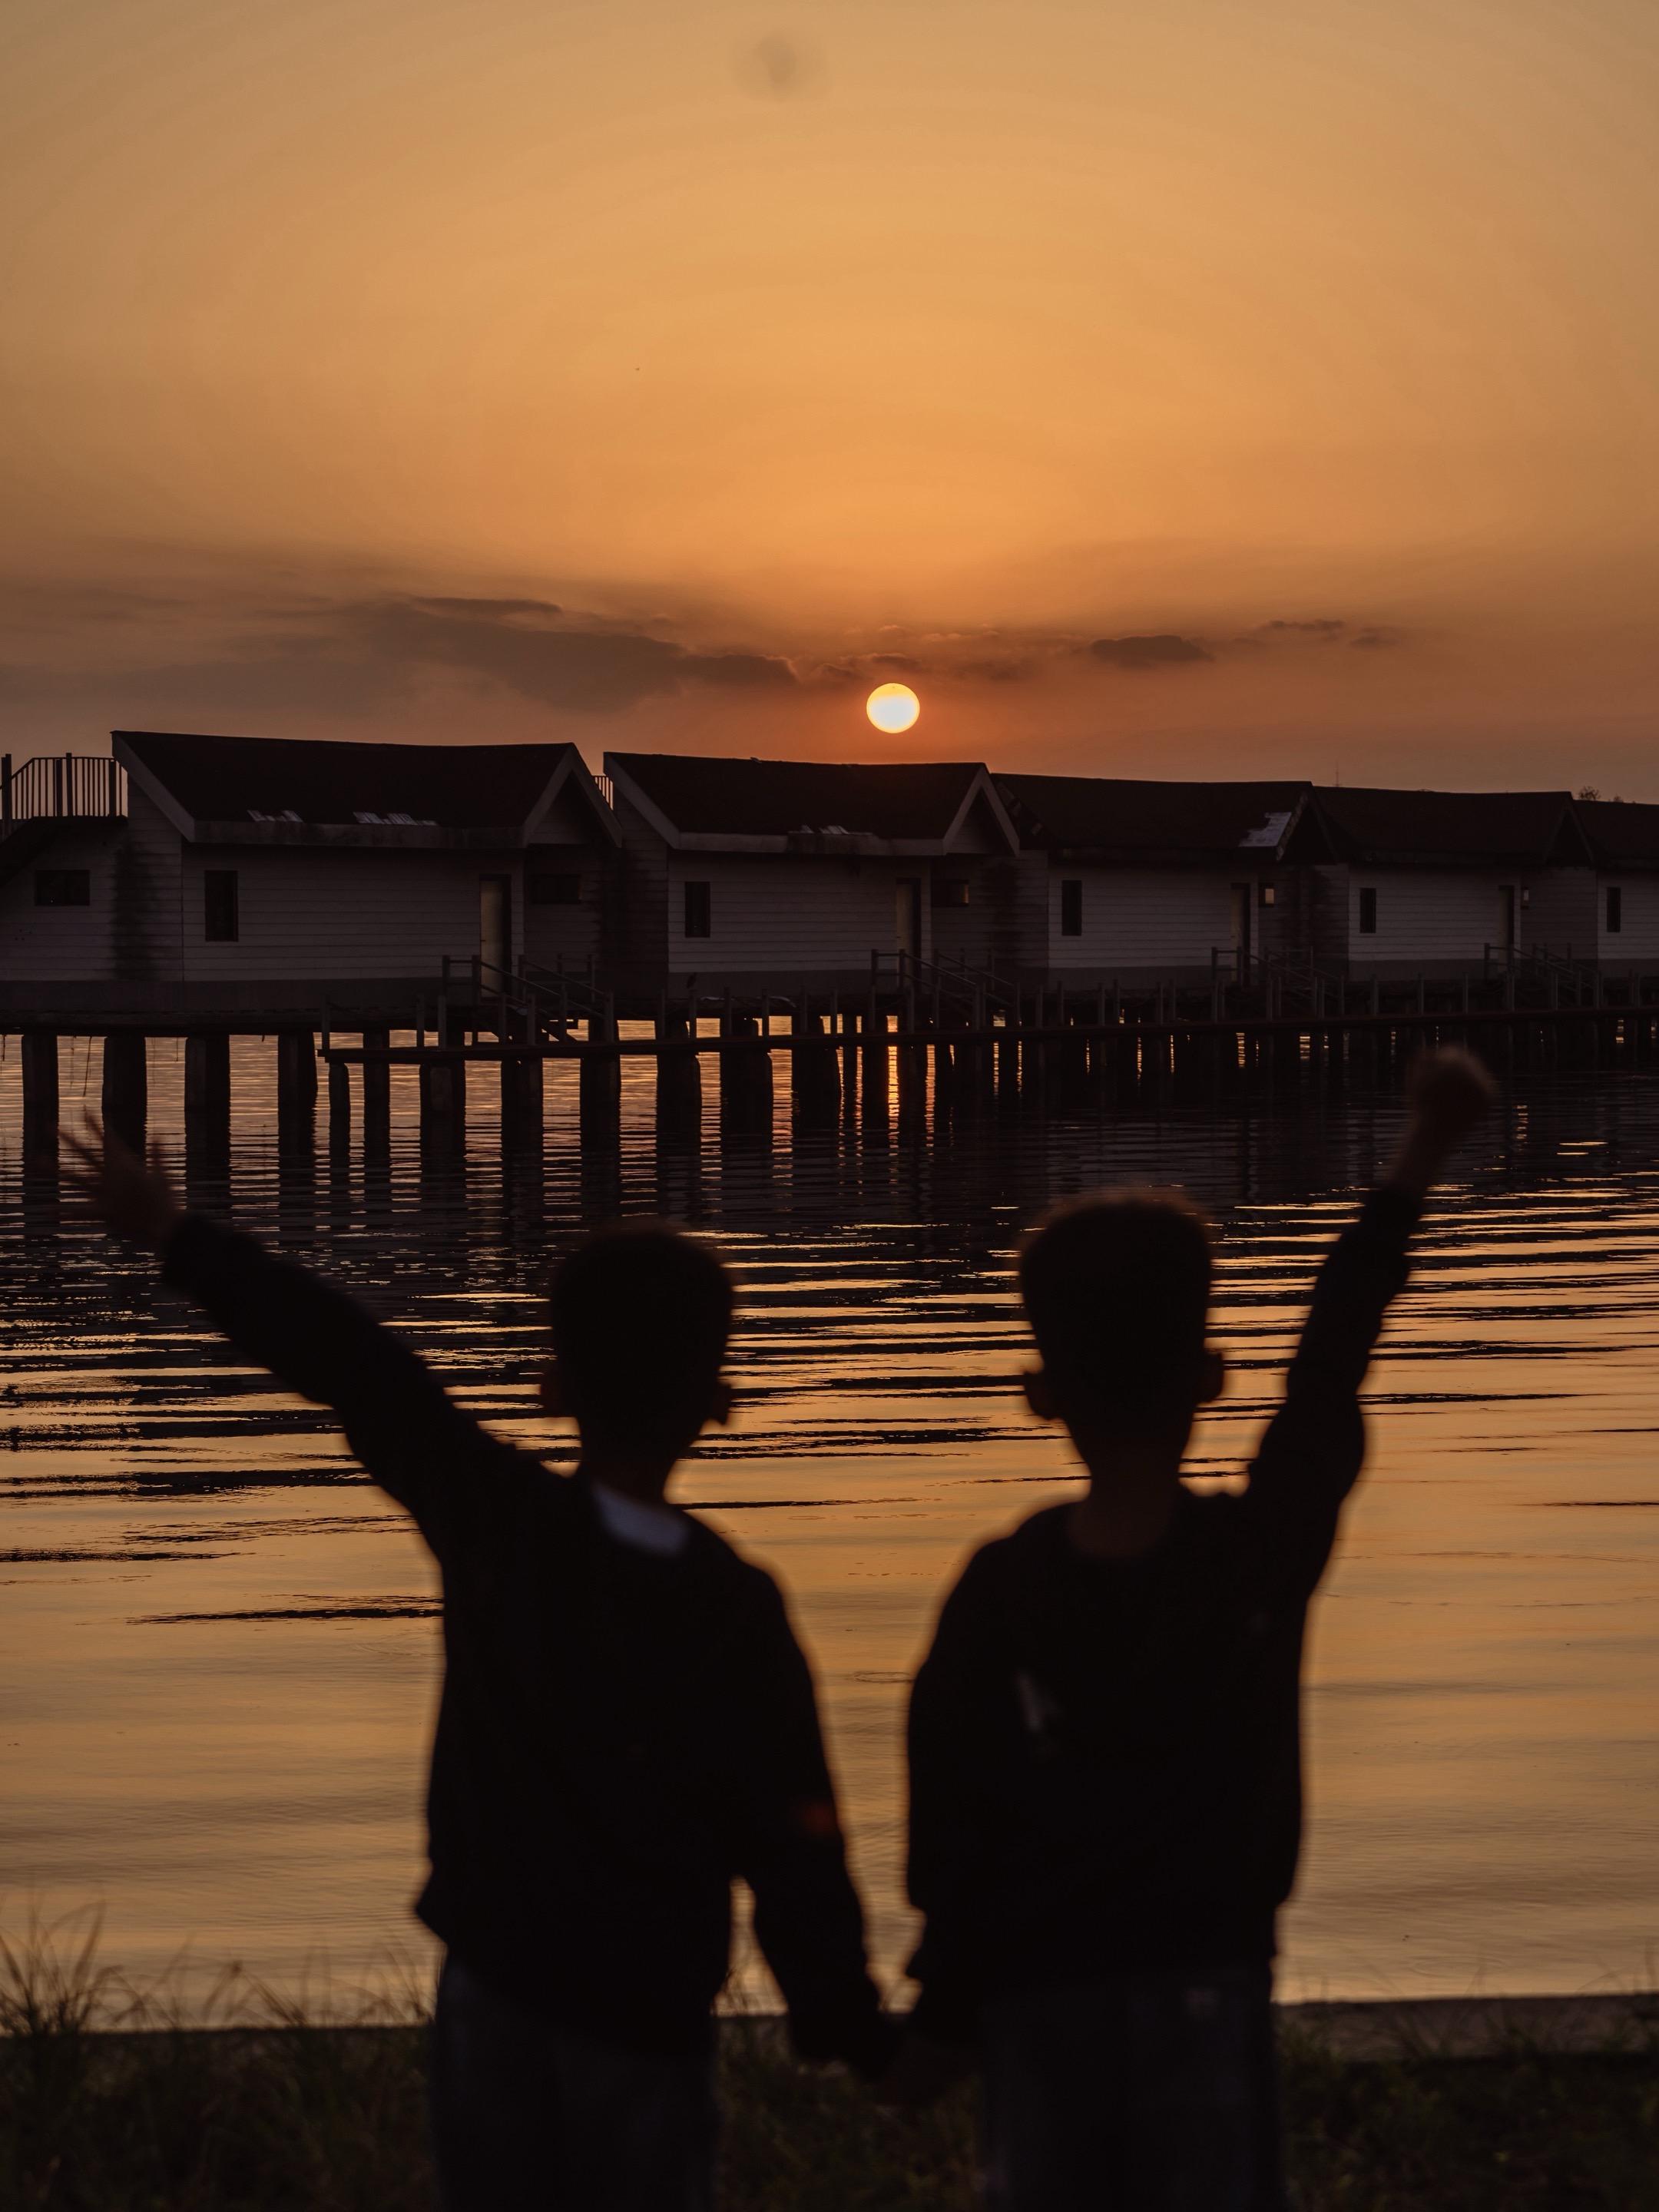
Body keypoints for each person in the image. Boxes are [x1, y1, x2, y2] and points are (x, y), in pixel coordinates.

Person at [66, 1131, 892, 2212]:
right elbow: (795, 1840)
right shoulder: (733, 1608)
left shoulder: (498, 1522)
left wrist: (177, 1234)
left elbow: (351, 1364)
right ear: (715, 1400)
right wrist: (850, 2031)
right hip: (645, 2016)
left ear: (554, 1384)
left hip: (495, 1993)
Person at [897, 1047, 1496, 2210]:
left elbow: (950, 1816)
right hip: (1208, 1982)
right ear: (1212, 1375)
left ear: (1042, 1394)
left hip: (1037, 1995)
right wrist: (1422, 1149)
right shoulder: (1255, 1555)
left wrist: (944, 2009)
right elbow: (1331, 1360)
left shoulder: (999, 1588)